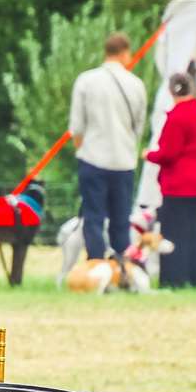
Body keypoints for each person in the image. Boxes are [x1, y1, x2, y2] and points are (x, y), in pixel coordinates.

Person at [69, 32, 146, 262]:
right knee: (121, 219)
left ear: (106, 52)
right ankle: (122, 267)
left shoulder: (85, 80)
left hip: (92, 159)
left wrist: (82, 151)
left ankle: (95, 265)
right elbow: (139, 129)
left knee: (93, 218)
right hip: (124, 161)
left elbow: (77, 127)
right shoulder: (136, 84)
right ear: (125, 53)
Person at [146, 71, 196, 289]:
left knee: (175, 233)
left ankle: (174, 279)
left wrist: (148, 154)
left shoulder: (175, 117)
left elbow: (168, 153)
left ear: (171, 91)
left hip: (180, 183)